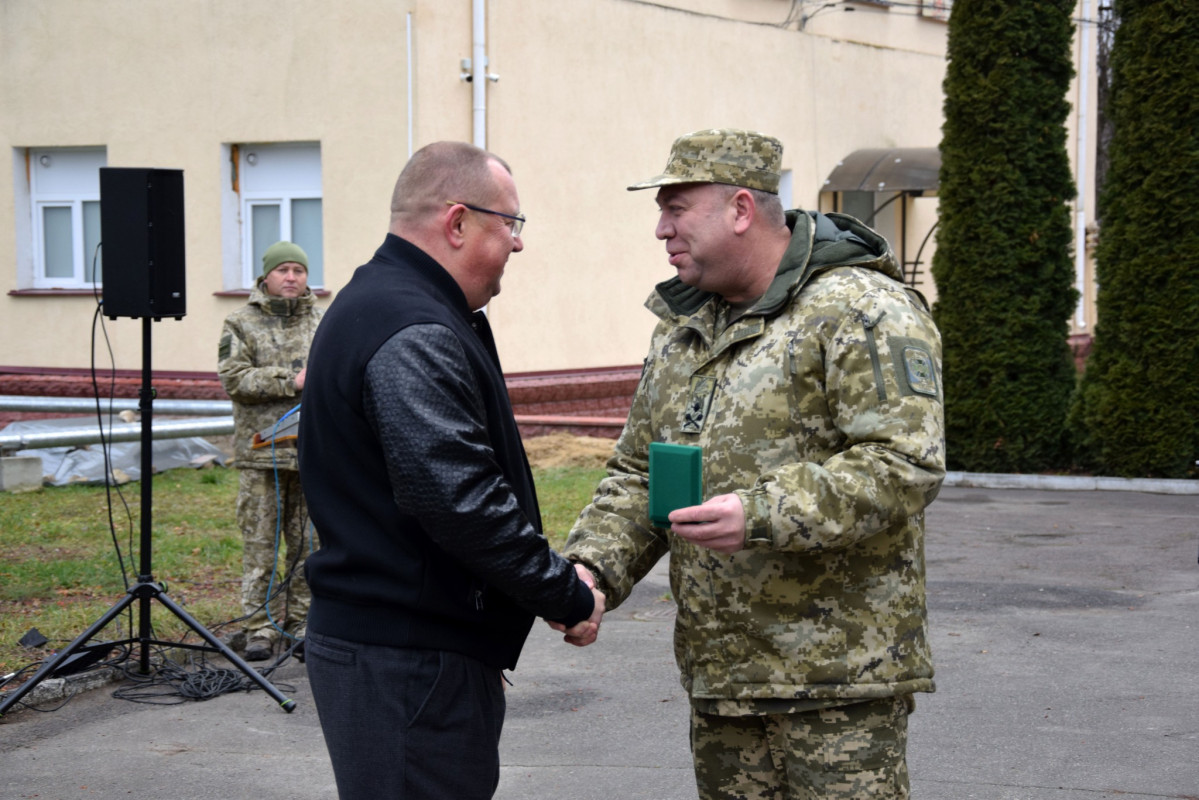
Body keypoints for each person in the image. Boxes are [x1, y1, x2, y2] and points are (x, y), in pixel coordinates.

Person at [558, 129, 945, 799]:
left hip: (835, 684)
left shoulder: (859, 309)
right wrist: (592, 571)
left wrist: (762, 512)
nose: (659, 230)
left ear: (740, 209)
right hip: (723, 680)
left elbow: (904, 461)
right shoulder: (684, 328)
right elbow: (639, 474)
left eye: (675, 209)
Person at [297, 141, 604, 800]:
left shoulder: (393, 304)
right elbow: (458, 499)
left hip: (410, 652)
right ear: (457, 222)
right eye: (510, 224)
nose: (517, 244)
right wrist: (564, 595)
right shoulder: (411, 326)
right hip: (405, 660)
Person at [217, 240, 323, 662]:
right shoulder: (241, 322)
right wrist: (291, 381)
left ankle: (301, 624)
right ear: (266, 276)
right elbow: (234, 377)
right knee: (260, 546)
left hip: (312, 454)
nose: (292, 278)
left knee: (307, 547)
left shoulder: (322, 321)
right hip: (261, 455)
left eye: (299, 270)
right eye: (283, 270)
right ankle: (258, 628)